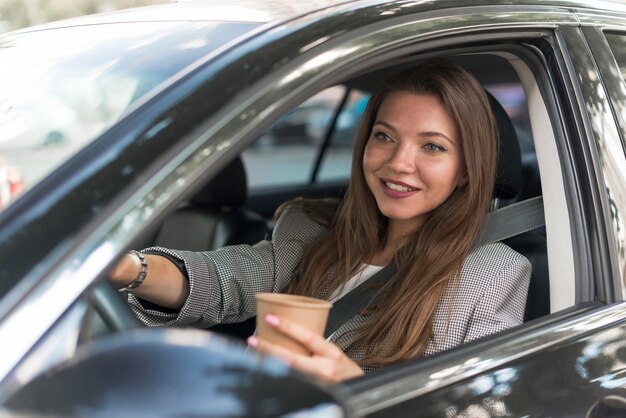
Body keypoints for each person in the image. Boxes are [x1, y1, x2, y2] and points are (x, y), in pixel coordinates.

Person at [109, 59, 531, 382]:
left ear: (466, 170)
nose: (399, 163)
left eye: (433, 147)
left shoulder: (494, 274)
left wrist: (355, 389)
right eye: (384, 136)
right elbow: (225, 280)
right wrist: (130, 269)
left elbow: (479, 406)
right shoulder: (312, 228)